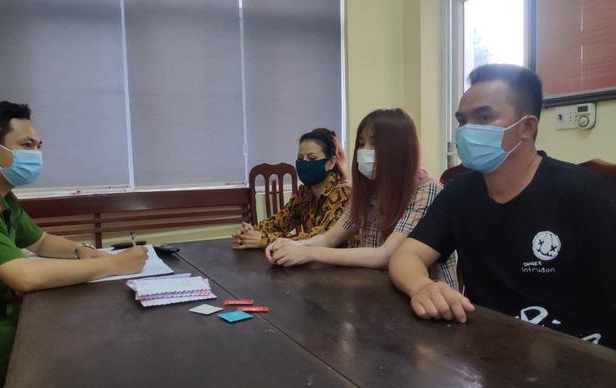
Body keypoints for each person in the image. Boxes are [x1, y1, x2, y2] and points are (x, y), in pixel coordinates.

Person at [389, 64, 616, 349]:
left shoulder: (585, 193)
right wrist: (422, 286)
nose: (467, 130)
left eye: (484, 117)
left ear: (527, 127)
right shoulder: (460, 192)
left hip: (578, 358)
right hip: (490, 352)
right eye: (462, 120)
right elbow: (407, 255)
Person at [0, 101, 149, 388]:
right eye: (26, 145)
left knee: (82, 328)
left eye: (38, 146)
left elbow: (40, 241)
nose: (36, 154)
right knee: (82, 357)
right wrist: (114, 264)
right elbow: (24, 277)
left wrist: (79, 250)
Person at [265, 109, 457, 288]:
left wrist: (308, 252)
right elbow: (330, 238)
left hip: (427, 296)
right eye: (361, 143)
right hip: (378, 291)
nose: (364, 151)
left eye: (375, 144)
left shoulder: (427, 190)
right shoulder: (367, 191)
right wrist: (292, 245)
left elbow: (386, 255)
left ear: (400, 149)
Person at [233, 128, 352, 249]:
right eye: (300, 158)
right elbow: (279, 222)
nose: (304, 163)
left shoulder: (344, 193)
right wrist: (251, 232)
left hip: (341, 260)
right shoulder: (305, 193)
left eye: (312, 158)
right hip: (312, 259)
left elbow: (320, 238)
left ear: (331, 163)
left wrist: (264, 239)